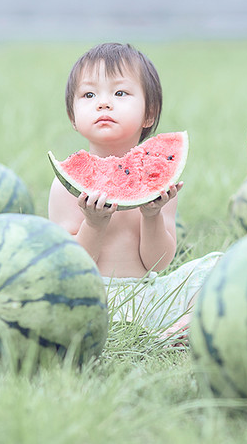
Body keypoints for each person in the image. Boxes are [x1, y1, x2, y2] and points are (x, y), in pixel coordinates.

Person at [48, 42, 219, 339]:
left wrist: (153, 215)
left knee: (219, 266)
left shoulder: (156, 176)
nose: (103, 103)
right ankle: (172, 333)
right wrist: (93, 223)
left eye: (120, 93)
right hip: (96, 299)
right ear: (73, 118)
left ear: (149, 114)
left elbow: (158, 262)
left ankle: (169, 329)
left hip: (150, 294)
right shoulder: (66, 186)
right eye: (89, 95)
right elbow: (69, 266)